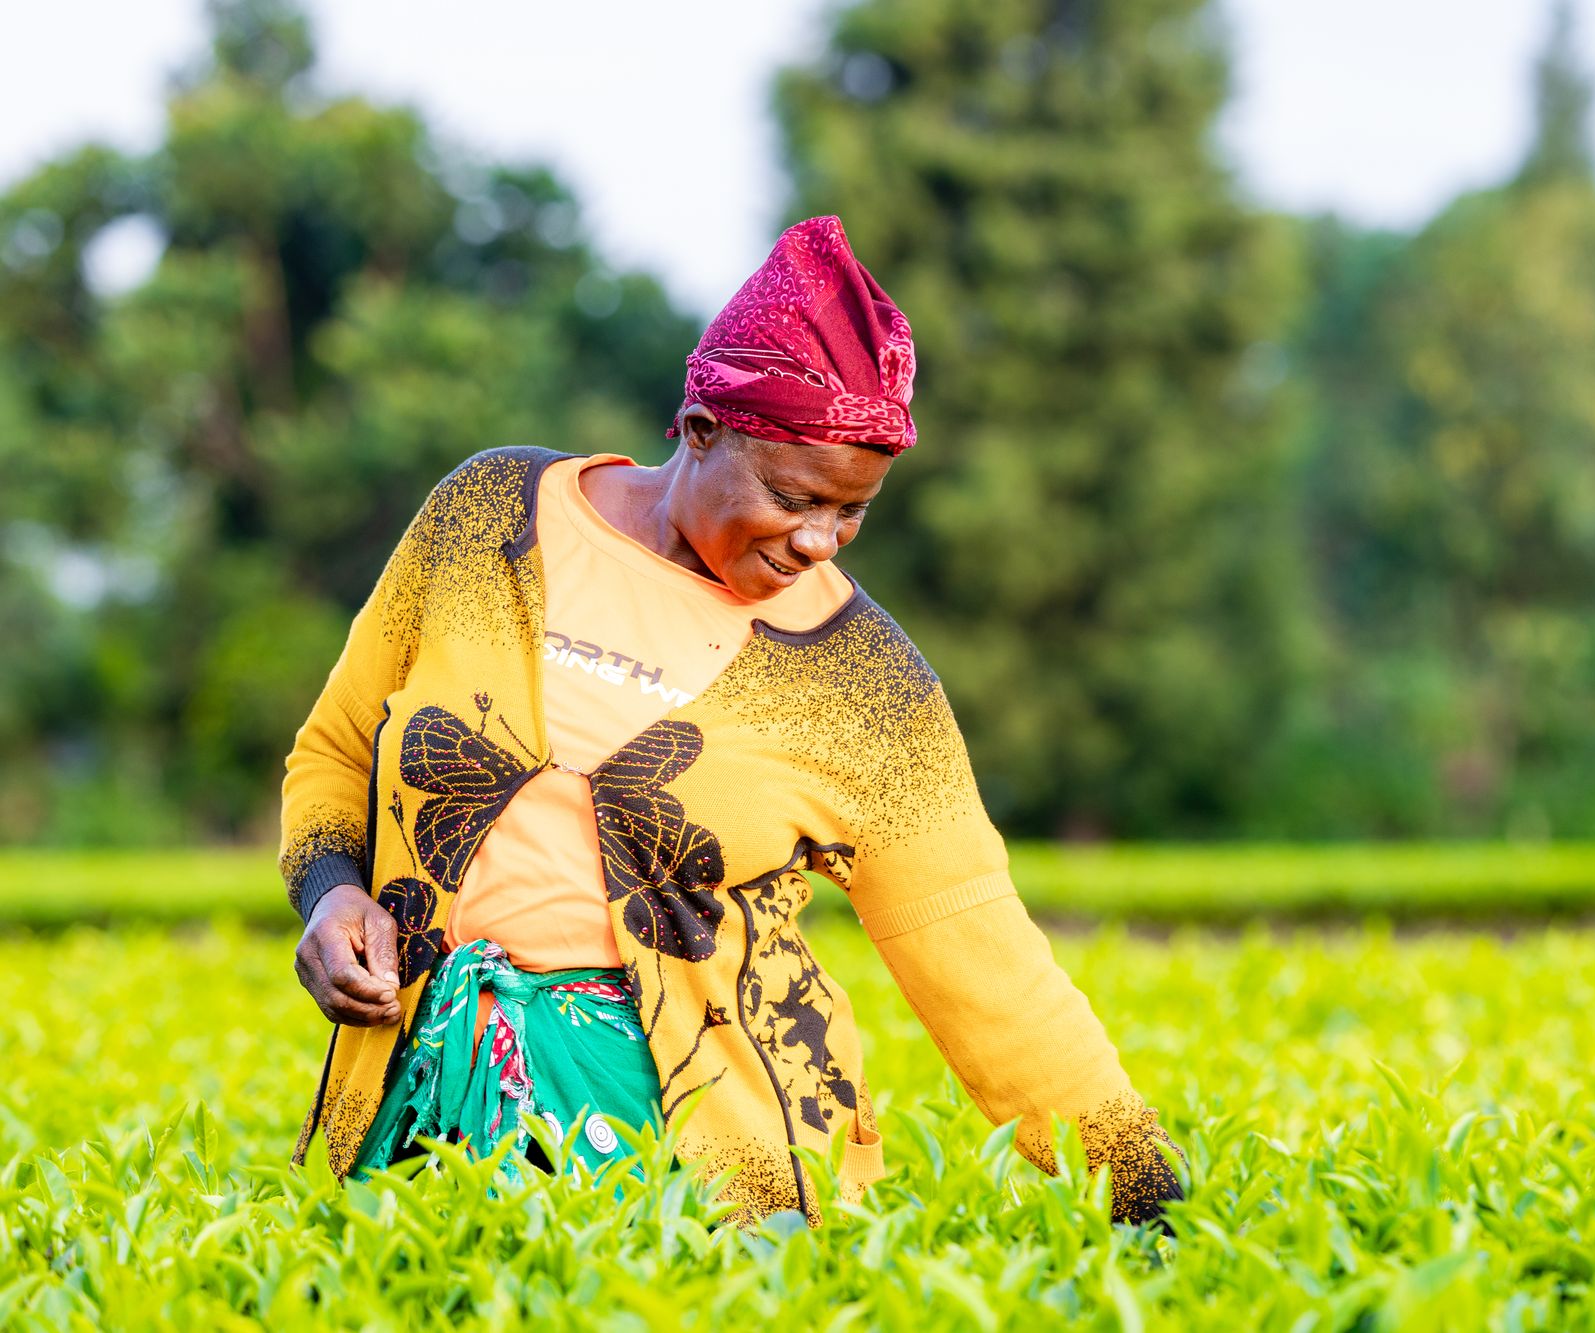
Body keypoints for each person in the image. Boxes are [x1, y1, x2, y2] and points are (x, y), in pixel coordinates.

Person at [278, 216, 1185, 1226]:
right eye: (795, 496)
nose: (817, 539)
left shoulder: (861, 682)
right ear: (700, 425)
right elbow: (335, 749)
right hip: (421, 1112)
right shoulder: (484, 519)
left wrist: (1150, 1202)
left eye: (853, 511)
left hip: (717, 1169)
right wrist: (327, 894)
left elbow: (986, 962)